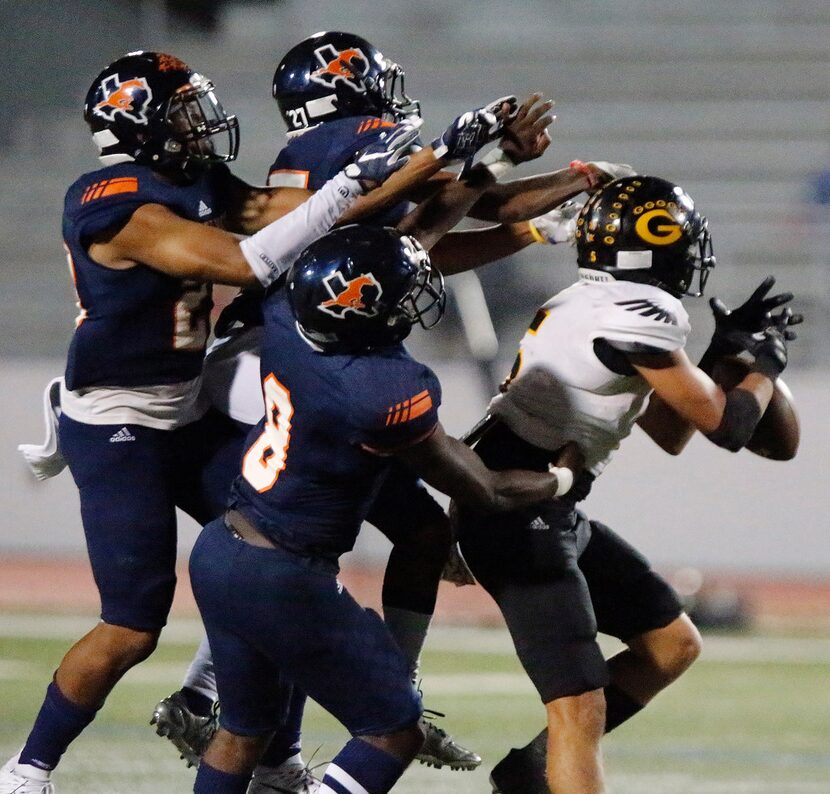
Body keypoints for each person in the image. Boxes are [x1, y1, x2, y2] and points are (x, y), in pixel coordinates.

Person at [0, 48, 499, 794]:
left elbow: (293, 216)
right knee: (133, 627)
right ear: (135, 127)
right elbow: (246, 263)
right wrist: (356, 182)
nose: (199, 126)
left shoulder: (191, 177)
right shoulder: (112, 202)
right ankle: (26, 772)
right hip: (119, 422)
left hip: (188, 407)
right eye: (179, 113)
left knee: (285, 558)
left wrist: (440, 159)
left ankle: (271, 753)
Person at [152, 29, 634, 781]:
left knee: (298, 538)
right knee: (313, 549)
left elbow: (419, 243)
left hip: (271, 350)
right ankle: (349, 695)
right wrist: (561, 180)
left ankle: (235, 704)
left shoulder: (308, 164)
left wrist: (523, 207)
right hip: (317, 370)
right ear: (356, 84)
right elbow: (450, 216)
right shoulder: (372, 145)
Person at [188, 222, 585, 794]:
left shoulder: (284, 313)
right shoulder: (383, 391)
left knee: (243, 729)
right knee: (395, 730)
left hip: (222, 546)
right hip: (285, 575)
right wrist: (562, 478)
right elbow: (487, 490)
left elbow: (397, 243)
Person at [452, 175, 802, 794]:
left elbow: (672, 431)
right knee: (579, 705)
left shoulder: (589, 302)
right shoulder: (644, 312)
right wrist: (767, 365)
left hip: (547, 504)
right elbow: (727, 427)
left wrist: (725, 353)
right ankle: (549, 772)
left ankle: (534, 772)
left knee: (670, 645)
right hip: (518, 507)